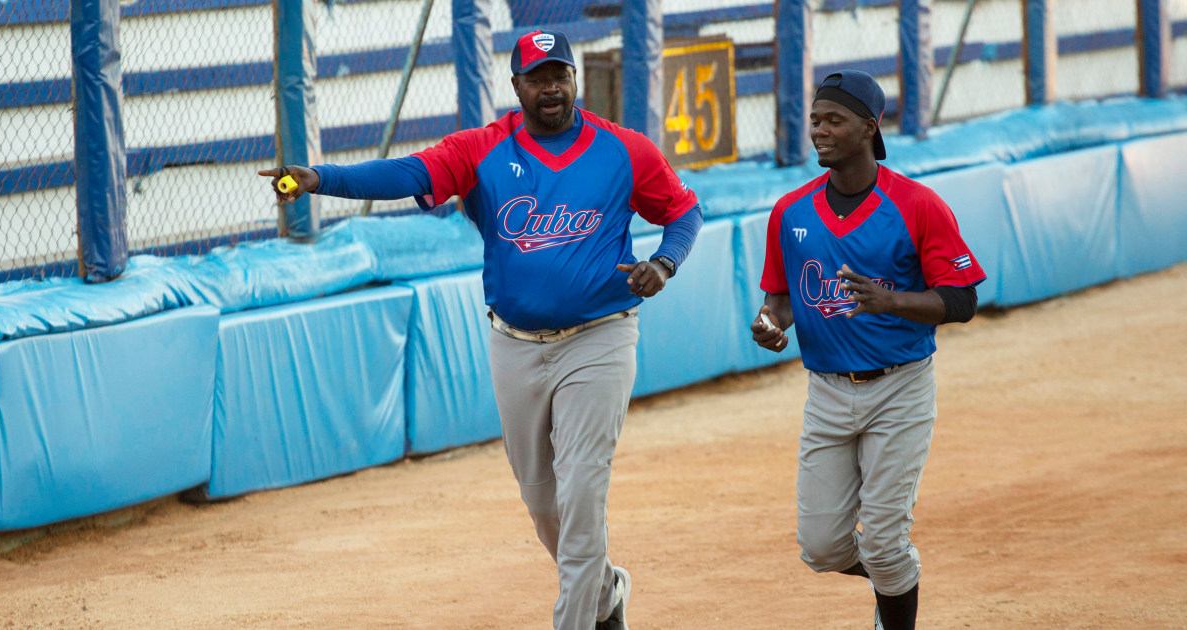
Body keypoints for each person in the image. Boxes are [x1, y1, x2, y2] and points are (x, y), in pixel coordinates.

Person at [260, 30, 703, 630]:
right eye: (537, 77)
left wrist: (665, 262)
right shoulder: (482, 149)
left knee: (580, 491)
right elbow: (408, 173)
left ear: (575, 79)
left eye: (560, 74)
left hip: (601, 336)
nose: (551, 87)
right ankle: (604, 593)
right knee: (541, 499)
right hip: (515, 345)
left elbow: (682, 210)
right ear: (516, 85)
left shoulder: (623, 149)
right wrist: (320, 178)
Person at [750, 70, 985, 630]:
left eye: (834, 120)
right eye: (815, 120)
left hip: (900, 386)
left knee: (881, 539)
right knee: (823, 548)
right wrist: (768, 322)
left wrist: (891, 301)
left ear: (869, 127)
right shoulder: (791, 212)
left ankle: (892, 600)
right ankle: (895, 577)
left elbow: (963, 300)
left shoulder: (917, 204)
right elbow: (779, 300)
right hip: (827, 392)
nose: (820, 131)